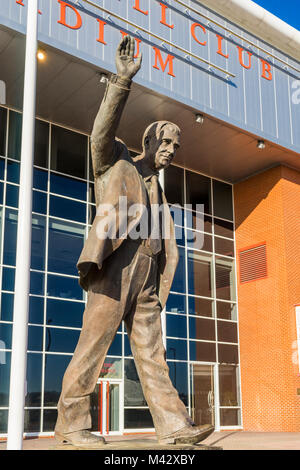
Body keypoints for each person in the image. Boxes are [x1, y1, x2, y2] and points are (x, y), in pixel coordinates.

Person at [54, 36, 214, 448]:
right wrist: (121, 82)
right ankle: (71, 424)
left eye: (176, 146)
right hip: (114, 267)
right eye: (166, 143)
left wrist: (159, 286)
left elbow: (166, 242)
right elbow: (100, 134)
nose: (172, 150)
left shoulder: (160, 191)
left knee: (152, 355)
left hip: (146, 275)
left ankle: (174, 426)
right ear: (147, 142)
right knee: (94, 345)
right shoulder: (115, 162)